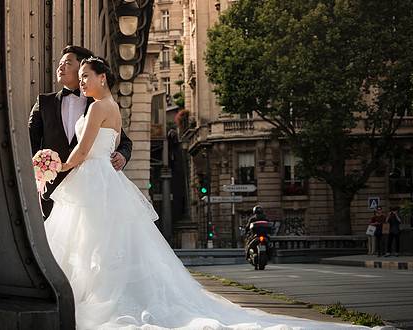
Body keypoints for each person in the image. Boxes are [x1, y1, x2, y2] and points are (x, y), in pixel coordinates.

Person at [44, 57, 371, 330]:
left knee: (89, 242)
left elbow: (83, 151)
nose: (82, 81)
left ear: (103, 77)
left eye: (86, 76)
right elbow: (107, 146)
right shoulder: (111, 107)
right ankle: (96, 295)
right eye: (81, 77)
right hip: (105, 180)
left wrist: (52, 166)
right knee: (102, 244)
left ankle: (86, 298)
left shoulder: (99, 106)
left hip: (93, 177)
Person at [28, 45, 132, 220]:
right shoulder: (43, 102)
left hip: (92, 187)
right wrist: (39, 171)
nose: (60, 67)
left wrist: (122, 155)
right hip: (53, 188)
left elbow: (122, 140)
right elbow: (29, 141)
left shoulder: (98, 104)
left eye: (68, 63)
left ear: (82, 67)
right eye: (59, 63)